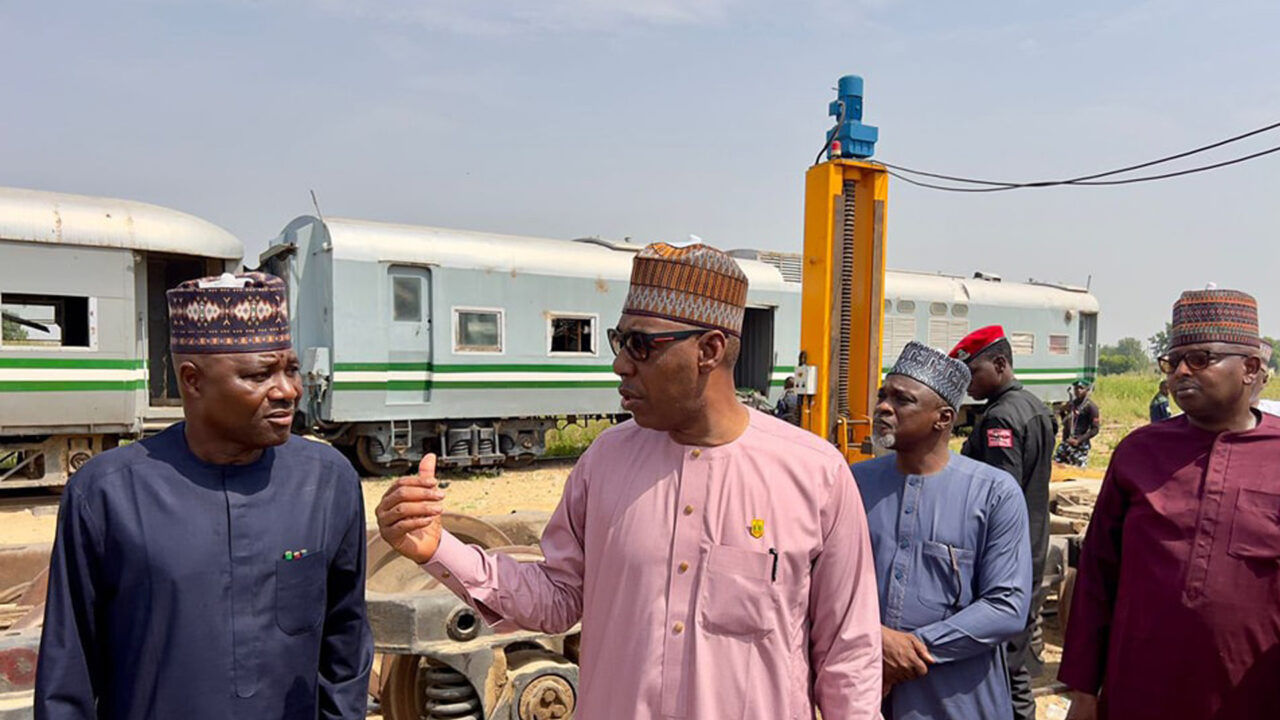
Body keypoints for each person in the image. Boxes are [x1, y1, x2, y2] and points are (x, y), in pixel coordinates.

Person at [376, 242, 883, 719]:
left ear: (708, 350)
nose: (620, 365)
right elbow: (557, 599)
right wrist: (438, 547)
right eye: (620, 342)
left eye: (641, 346)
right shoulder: (606, 461)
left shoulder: (814, 475)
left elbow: (850, 657)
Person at [35, 272, 372, 719]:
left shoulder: (327, 482)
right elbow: (68, 670)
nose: (288, 390)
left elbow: (345, 644)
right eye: (260, 374)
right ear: (193, 381)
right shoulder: (106, 494)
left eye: (290, 369)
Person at [1059, 288, 1280, 720]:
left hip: (1251, 698)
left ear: (1250, 368)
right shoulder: (1138, 453)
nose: (1180, 372)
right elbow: (1096, 578)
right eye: (1172, 360)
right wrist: (1083, 689)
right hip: (1138, 694)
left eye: (1199, 359)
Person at [853, 341, 1032, 720]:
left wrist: (910, 649)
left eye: (902, 400)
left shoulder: (994, 493)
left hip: (958, 700)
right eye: (883, 395)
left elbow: (1006, 607)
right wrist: (875, 640)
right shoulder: (851, 483)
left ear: (943, 417)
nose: (883, 407)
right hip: (866, 694)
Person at [949, 325, 1055, 720]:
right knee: (1016, 660)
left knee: (1005, 669)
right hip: (1033, 546)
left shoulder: (1000, 419)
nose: (966, 382)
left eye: (972, 372)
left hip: (1007, 559)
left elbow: (1000, 496)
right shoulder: (1034, 407)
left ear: (1000, 364)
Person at [1053, 381, 1099, 467]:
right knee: (1056, 466)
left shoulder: (1091, 407)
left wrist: (1079, 440)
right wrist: (1062, 412)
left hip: (1080, 445)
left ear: (1087, 390)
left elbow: (1095, 429)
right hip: (1066, 443)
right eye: (1076, 388)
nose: (1078, 390)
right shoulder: (1071, 404)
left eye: (1081, 388)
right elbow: (1065, 422)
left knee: (1078, 472)